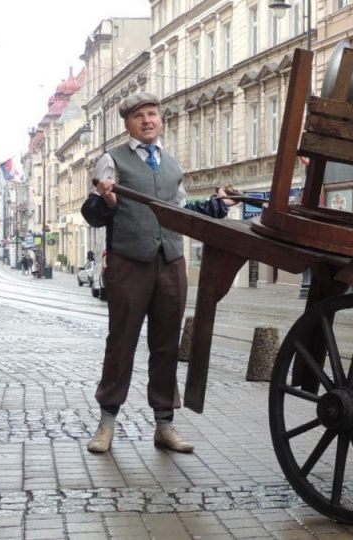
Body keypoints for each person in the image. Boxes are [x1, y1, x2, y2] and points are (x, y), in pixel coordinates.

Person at [81, 91, 239, 454]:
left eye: (153, 114)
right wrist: (105, 200)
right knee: (121, 341)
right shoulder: (112, 159)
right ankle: (106, 424)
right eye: (140, 116)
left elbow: (183, 210)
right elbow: (92, 214)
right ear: (128, 123)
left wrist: (218, 205)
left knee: (167, 345)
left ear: (160, 119)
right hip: (128, 262)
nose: (148, 120)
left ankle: (164, 425)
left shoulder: (171, 164)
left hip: (170, 261)